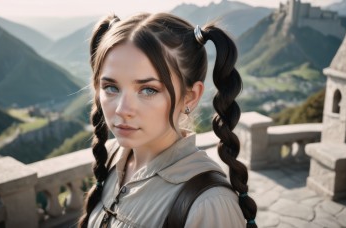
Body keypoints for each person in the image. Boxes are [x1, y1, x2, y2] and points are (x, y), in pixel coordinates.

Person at [78, 12, 257, 228]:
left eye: (148, 90)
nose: (122, 110)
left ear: (189, 97)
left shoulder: (209, 204)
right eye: (111, 87)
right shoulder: (113, 156)